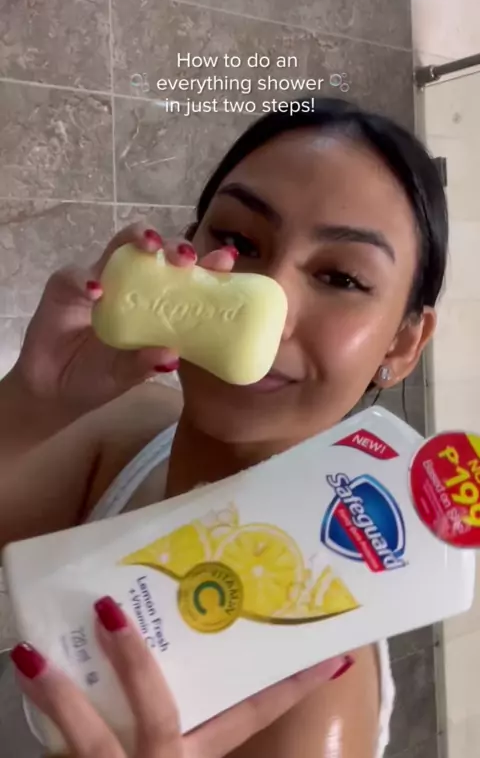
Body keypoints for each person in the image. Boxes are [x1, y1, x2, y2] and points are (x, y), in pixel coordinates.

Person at [0, 97, 448, 758]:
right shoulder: (130, 428)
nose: (266, 309)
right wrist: (28, 404)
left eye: (340, 277)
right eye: (237, 241)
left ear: (404, 343)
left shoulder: (309, 698)